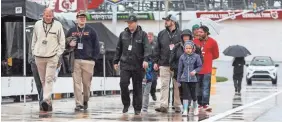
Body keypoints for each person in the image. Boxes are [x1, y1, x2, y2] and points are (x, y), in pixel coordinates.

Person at [113, 15, 151, 115]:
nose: (129, 24)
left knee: (137, 87)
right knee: (123, 84)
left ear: (136, 22)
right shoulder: (123, 34)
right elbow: (118, 49)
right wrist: (115, 61)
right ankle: (126, 104)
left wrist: (146, 60)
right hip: (125, 64)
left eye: (131, 22)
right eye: (128, 23)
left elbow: (147, 48)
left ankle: (137, 108)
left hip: (138, 65)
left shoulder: (143, 34)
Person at [31, 8, 65, 111]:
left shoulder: (58, 25)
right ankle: (48, 102)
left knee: (49, 79)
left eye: (50, 16)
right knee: (43, 80)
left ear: (53, 16)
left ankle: (45, 99)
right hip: (39, 56)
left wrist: (57, 55)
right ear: (43, 15)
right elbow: (34, 39)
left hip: (52, 57)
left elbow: (62, 41)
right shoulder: (37, 24)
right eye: (47, 15)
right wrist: (34, 51)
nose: (48, 18)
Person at [66, 10, 100, 111]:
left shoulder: (91, 31)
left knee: (86, 84)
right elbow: (64, 43)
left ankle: (85, 100)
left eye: (84, 17)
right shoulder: (71, 30)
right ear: (77, 18)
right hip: (75, 60)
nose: (82, 18)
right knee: (76, 83)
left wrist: (93, 59)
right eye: (80, 17)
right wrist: (69, 44)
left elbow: (97, 46)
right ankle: (78, 104)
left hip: (88, 61)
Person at [154, 14, 182, 113]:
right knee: (164, 85)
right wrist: (156, 62)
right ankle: (163, 105)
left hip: (177, 65)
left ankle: (177, 105)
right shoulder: (161, 34)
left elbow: (183, 49)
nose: (165, 22)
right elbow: (157, 49)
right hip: (164, 63)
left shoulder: (180, 34)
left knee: (177, 86)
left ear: (173, 22)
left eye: (167, 20)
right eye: (165, 20)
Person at [193, 25, 219, 111]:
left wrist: (207, 58)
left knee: (206, 87)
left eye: (201, 32)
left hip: (207, 69)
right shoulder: (194, 41)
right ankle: (199, 103)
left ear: (206, 33)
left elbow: (216, 55)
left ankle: (205, 104)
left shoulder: (213, 42)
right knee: (198, 88)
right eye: (198, 32)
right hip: (197, 69)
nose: (199, 34)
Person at [177, 41, 202, 116]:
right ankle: (185, 110)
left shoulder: (196, 56)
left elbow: (200, 66)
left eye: (190, 48)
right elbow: (180, 69)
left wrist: (195, 71)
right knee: (185, 95)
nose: (188, 49)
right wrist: (178, 80)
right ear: (184, 49)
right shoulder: (182, 57)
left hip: (193, 79)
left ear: (193, 49)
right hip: (184, 79)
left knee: (193, 95)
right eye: (186, 48)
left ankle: (195, 108)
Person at [28, 33, 43, 111]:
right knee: (38, 84)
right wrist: (30, 59)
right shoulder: (33, 33)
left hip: (45, 60)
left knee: (45, 82)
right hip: (34, 61)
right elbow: (30, 46)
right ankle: (43, 101)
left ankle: (42, 102)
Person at [147, 32, 158, 101]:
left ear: (153, 37)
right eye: (148, 37)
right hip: (146, 65)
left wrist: (156, 63)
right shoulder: (144, 45)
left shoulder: (155, 45)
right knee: (147, 81)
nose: (149, 38)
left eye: (150, 37)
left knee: (154, 80)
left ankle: (153, 92)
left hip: (153, 65)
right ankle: (145, 95)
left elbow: (157, 55)